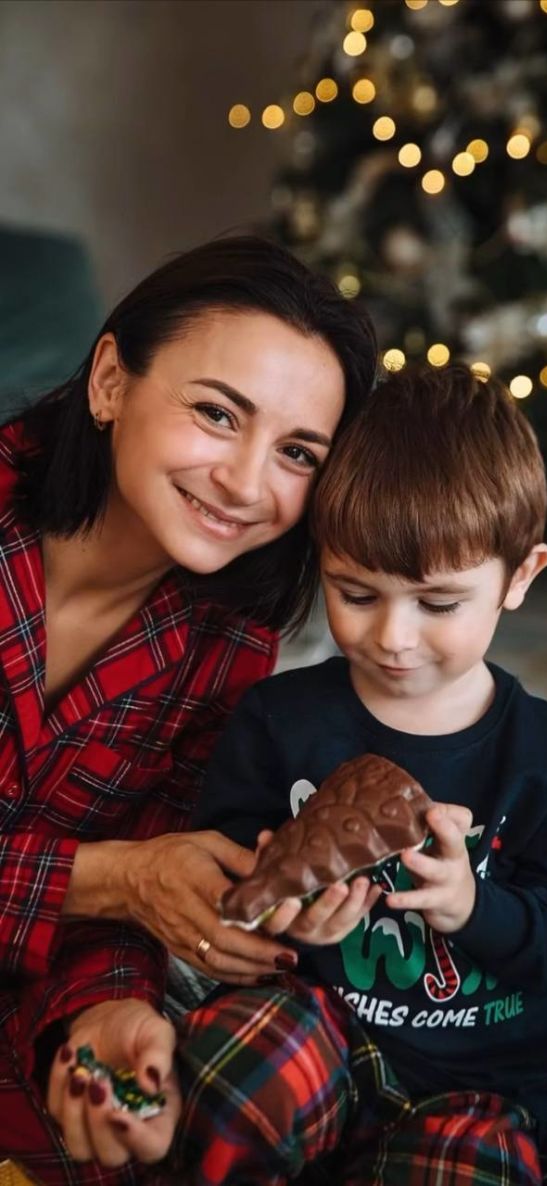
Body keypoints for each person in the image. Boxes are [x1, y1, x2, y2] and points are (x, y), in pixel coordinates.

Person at [165, 364, 547, 1185]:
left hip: (476, 1085)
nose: (394, 637)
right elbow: (229, 875)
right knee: (224, 1081)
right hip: (320, 1027)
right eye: (355, 592)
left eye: (438, 604)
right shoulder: (279, 719)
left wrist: (473, 906)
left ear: (521, 575)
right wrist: (288, 920)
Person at [0, 233, 377, 1184]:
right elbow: (125, 874)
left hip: (19, 989)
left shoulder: (227, 642)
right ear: (110, 382)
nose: (248, 485)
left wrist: (107, 1012)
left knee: (222, 1092)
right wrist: (120, 879)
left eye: (297, 452)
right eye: (217, 413)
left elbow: (141, 865)